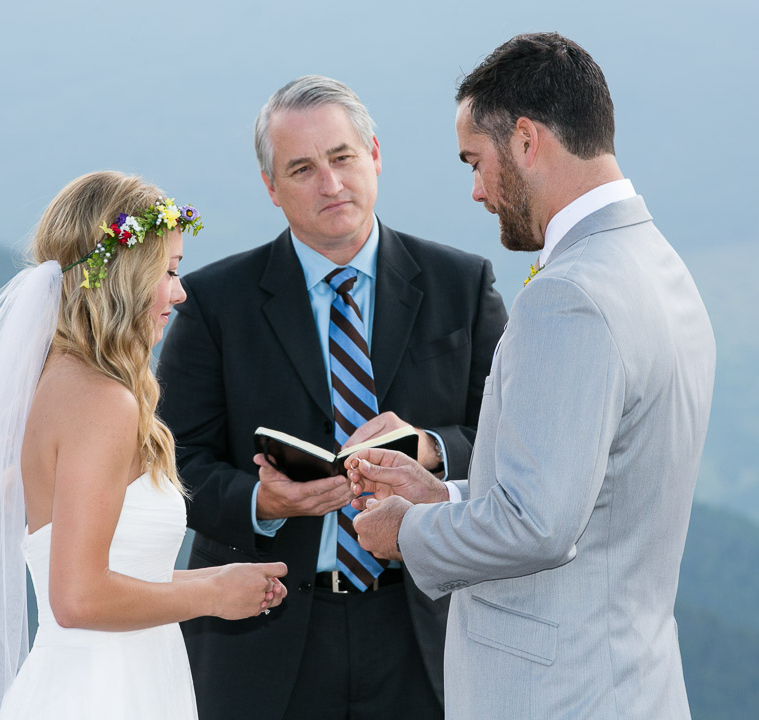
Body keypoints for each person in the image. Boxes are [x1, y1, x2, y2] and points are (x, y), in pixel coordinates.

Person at [348, 33, 716, 720]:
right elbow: (590, 491)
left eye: (476, 161)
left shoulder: (569, 293)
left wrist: (409, 530)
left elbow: (540, 525)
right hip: (631, 682)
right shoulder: (660, 265)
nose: (476, 190)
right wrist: (443, 496)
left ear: (525, 140)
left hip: (558, 696)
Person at [156, 76, 507, 720]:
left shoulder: (462, 284)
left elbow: (509, 439)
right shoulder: (214, 304)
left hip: (424, 626)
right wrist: (260, 502)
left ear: (374, 155)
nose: (331, 183)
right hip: (261, 632)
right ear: (272, 187)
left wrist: (430, 449)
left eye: (342, 157)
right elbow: (172, 464)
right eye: (302, 169)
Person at [0, 171, 287, 720]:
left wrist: (217, 578)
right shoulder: (102, 402)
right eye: (169, 271)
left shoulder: (57, 383)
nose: (179, 292)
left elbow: (110, 570)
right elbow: (77, 597)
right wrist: (212, 597)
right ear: (123, 275)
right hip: (102, 691)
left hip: (110, 677)